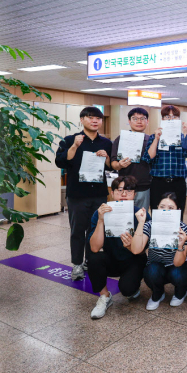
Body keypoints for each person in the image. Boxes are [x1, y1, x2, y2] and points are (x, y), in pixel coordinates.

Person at [55, 106, 112, 281]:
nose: (95, 121)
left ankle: (90, 260)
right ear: (82, 120)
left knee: (95, 229)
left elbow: (111, 167)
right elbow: (60, 162)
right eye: (90, 117)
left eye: (98, 118)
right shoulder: (70, 139)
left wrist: (107, 158)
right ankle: (77, 264)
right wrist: (74, 146)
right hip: (77, 194)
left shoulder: (106, 143)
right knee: (78, 230)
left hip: (99, 194)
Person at [87, 176, 149, 319]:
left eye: (128, 191)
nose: (124, 194)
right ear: (112, 193)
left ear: (134, 194)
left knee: (128, 290)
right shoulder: (101, 212)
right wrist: (101, 221)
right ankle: (104, 297)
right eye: (119, 190)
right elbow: (95, 247)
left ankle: (133, 286)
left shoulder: (141, 215)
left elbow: (141, 250)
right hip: (111, 258)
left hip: (133, 259)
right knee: (94, 257)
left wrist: (130, 246)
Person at [131, 192, 187, 310]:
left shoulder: (183, 228)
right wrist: (141, 222)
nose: (165, 211)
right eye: (162, 207)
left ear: (178, 211)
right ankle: (157, 293)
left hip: (177, 266)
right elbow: (136, 249)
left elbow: (179, 263)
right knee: (152, 271)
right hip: (157, 266)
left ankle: (181, 292)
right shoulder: (149, 225)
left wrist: (180, 245)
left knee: (177, 273)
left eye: (171, 208)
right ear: (157, 208)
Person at [143, 105, 187, 217]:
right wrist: (157, 138)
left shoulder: (182, 137)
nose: (170, 119)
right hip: (158, 182)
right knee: (157, 214)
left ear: (178, 120)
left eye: (174, 116)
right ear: (162, 119)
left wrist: (186, 135)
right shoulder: (153, 137)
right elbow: (149, 157)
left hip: (178, 183)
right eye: (167, 116)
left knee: (177, 215)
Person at [111, 108, 152, 211]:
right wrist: (119, 165)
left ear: (147, 121)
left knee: (141, 217)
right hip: (125, 188)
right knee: (124, 217)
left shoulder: (152, 140)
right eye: (135, 119)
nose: (139, 121)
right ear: (129, 121)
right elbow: (113, 163)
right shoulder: (120, 139)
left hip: (145, 186)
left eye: (143, 118)